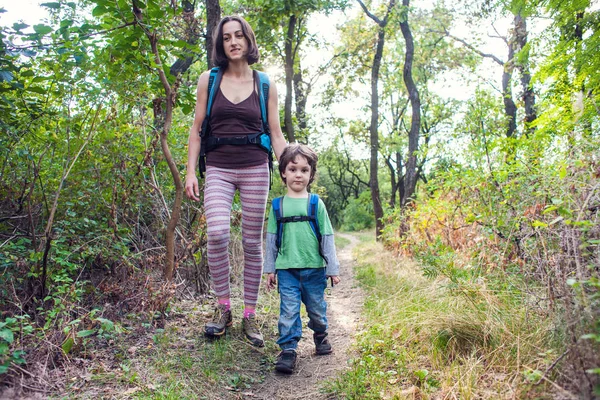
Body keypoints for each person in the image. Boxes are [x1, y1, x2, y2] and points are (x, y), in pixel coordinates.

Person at [185, 15, 287, 347]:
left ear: (248, 41)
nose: (233, 42)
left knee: (252, 242)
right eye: (226, 37)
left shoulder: (265, 84)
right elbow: (197, 128)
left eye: (239, 36)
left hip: (256, 167)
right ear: (220, 44)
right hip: (218, 166)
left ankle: (249, 314)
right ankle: (223, 308)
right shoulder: (208, 80)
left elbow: (275, 132)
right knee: (216, 233)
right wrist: (189, 172)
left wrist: (290, 168)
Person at [263, 144, 341, 373]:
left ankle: (320, 335)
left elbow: (327, 236)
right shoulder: (277, 205)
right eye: (293, 168)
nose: (299, 174)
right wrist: (270, 269)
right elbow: (271, 240)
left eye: (304, 170)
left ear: (311, 174)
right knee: (288, 311)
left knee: (317, 310)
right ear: (283, 173)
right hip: (287, 270)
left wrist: (332, 269)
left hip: (314, 270)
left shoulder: (315, 203)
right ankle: (288, 351)